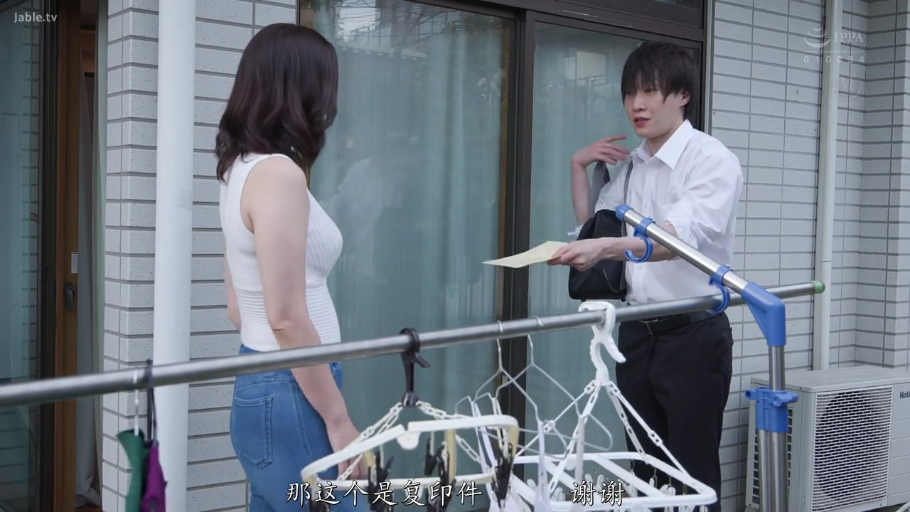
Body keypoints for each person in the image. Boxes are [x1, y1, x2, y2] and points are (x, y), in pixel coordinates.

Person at [549, 41, 743, 511]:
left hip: (693, 337)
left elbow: (678, 240)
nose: (637, 104)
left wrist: (607, 247)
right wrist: (577, 167)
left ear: (682, 95)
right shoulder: (633, 166)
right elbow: (596, 227)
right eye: (630, 93)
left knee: (693, 476)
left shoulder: (710, 159)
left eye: (650, 91)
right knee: (643, 473)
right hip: (636, 336)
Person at [216, 24, 364, 511]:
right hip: (292, 387)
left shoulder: (237, 169)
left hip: (265, 380)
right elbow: (283, 316)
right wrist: (337, 417)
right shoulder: (278, 174)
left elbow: (239, 308)